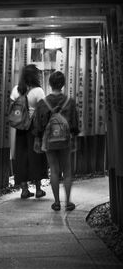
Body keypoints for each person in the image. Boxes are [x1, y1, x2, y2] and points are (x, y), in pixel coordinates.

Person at [33, 71, 79, 211]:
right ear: (63, 84)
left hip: (49, 141)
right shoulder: (69, 102)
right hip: (65, 140)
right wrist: (75, 139)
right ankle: (68, 202)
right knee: (67, 170)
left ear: (50, 84)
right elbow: (74, 124)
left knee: (54, 170)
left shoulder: (43, 103)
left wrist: (37, 139)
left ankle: (57, 202)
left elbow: (38, 123)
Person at [10, 64, 48, 199]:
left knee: (21, 158)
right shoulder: (38, 91)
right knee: (35, 157)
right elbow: (43, 112)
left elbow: (12, 108)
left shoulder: (16, 90)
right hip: (34, 128)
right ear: (35, 76)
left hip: (20, 129)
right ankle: (38, 189)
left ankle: (24, 190)